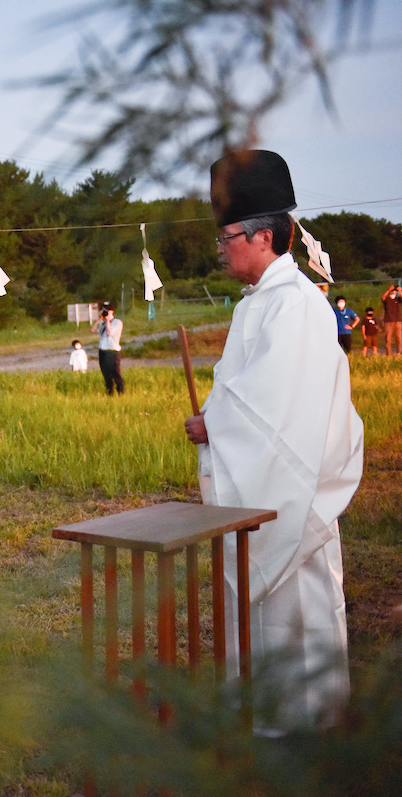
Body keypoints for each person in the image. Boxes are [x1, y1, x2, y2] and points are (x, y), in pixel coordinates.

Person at [185, 149, 363, 734]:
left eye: (227, 237)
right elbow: (246, 391)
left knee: (298, 609)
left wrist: (216, 424)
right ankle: (262, 716)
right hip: (261, 485)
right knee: (259, 616)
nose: (221, 248)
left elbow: (282, 408)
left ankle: (306, 725)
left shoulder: (296, 303)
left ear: (264, 237)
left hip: (295, 490)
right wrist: (217, 416)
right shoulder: (260, 302)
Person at [90, 303, 124, 394]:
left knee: (115, 372)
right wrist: (99, 320)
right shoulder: (103, 323)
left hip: (112, 351)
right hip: (103, 350)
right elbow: (93, 330)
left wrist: (108, 320)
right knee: (105, 373)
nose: (105, 312)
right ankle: (110, 392)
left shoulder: (117, 322)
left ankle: (120, 391)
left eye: (106, 311)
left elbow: (109, 333)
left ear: (111, 311)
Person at [380, 283, 402, 355]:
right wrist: (389, 290)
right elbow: (383, 297)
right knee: (388, 338)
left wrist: (400, 291)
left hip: (398, 320)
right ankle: (388, 353)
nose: (394, 292)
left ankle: (399, 352)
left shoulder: (398, 299)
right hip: (388, 321)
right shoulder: (387, 299)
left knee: (399, 337)